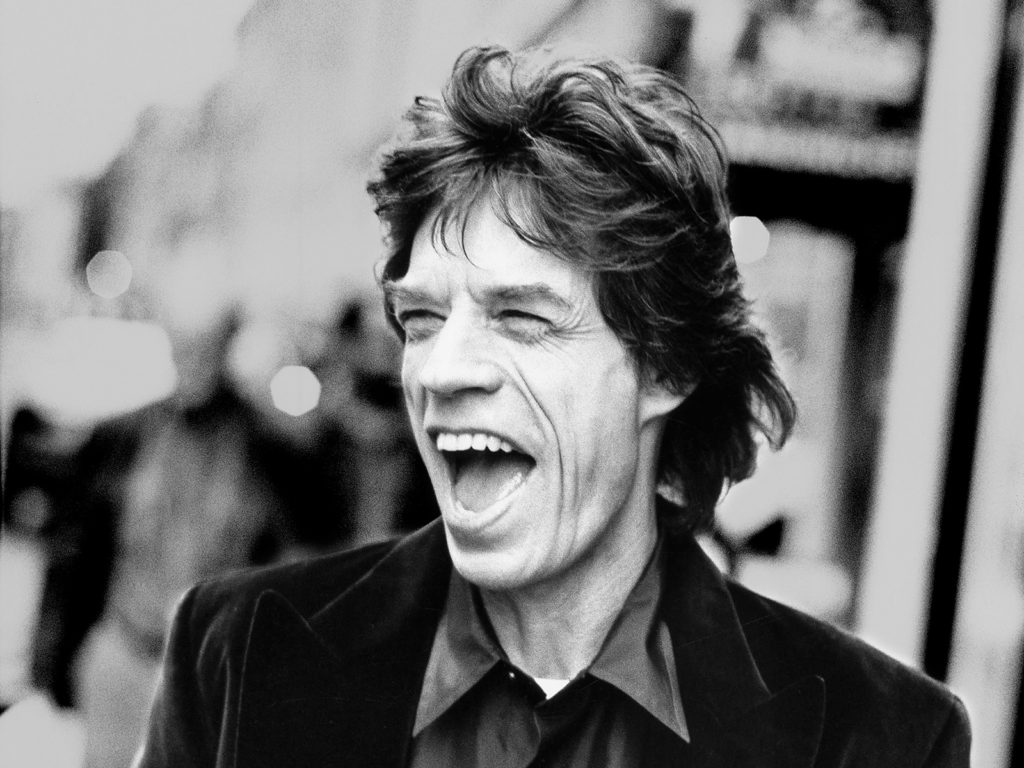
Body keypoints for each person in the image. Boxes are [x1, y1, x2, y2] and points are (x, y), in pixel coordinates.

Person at [134, 46, 970, 768]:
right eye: (422, 320)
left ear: (667, 365)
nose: (441, 371)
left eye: (522, 318)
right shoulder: (236, 654)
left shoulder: (881, 738)